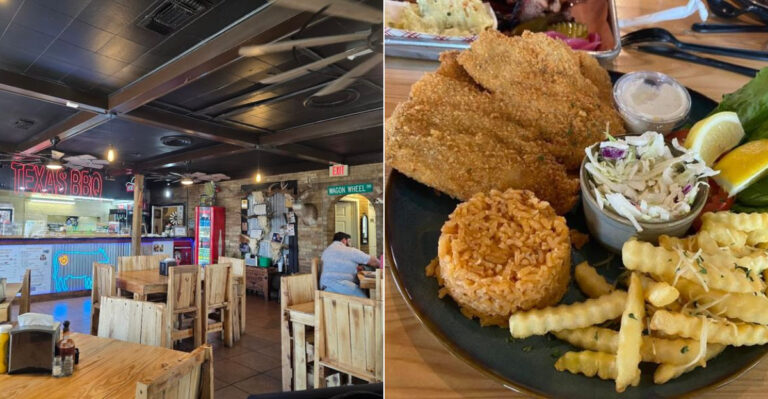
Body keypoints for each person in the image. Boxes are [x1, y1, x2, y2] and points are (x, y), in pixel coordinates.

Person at [320, 232, 380, 297]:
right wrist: (381, 264)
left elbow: (338, 266)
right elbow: (373, 261)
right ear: (344, 240)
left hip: (324, 287)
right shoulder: (350, 251)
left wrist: (355, 268)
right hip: (337, 288)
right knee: (367, 302)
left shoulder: (326, 251)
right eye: (349, 241)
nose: (350, 244)